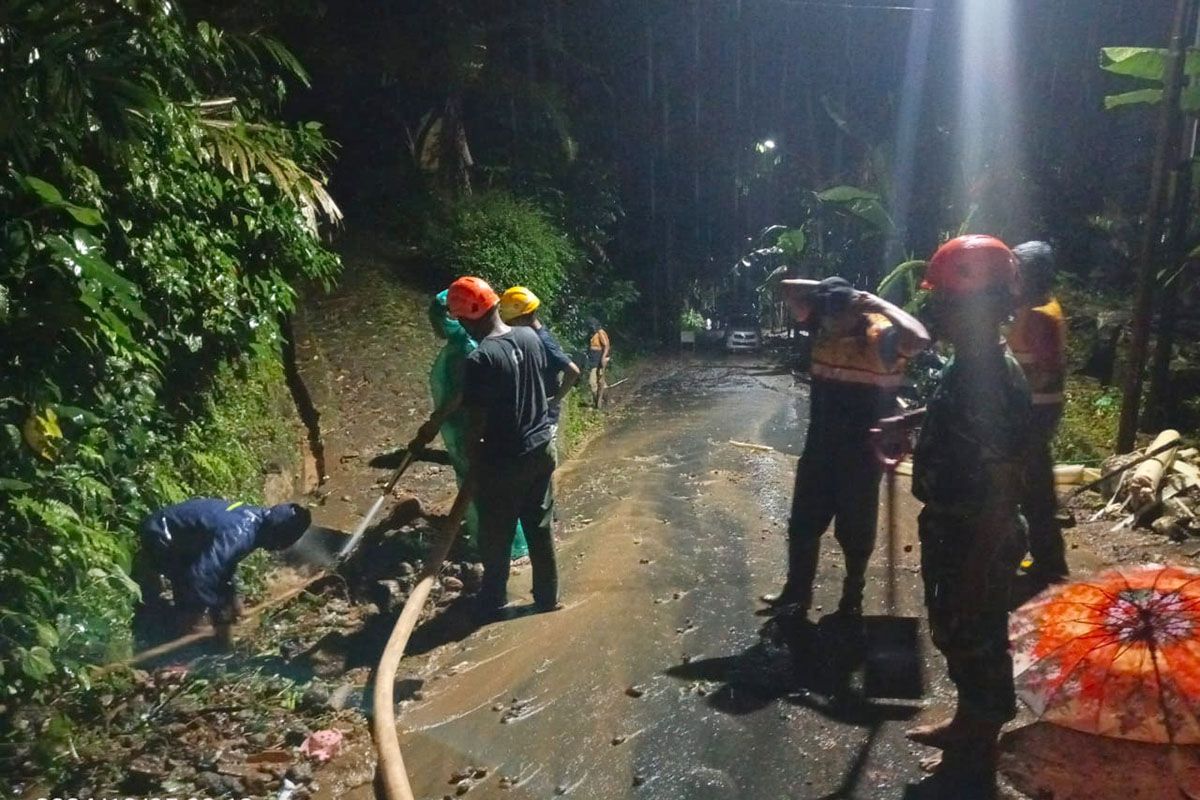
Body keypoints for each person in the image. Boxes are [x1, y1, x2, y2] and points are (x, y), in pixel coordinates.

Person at [902, 235, 1032, 786]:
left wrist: (980, 563)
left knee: (975, 631)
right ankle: (967, 721)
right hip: (954, 525)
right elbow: (961, 426)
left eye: (946, 302)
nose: (938, 313)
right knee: (956, 630)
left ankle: (976, 752)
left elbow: (1005, 481)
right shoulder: (970, 364)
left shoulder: (988, 374)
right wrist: (909, 425)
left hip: (978, 530)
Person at [760, 277, 930, 621]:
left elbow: (921, 338)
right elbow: (786, 285)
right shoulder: (822, 322)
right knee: (803, 524)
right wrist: (833, 287)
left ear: (855, 311)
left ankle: (852, 597)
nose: (828, 324)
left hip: (863, 454)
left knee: (855, 530)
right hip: (819, 447)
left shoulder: (882, 337)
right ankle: (796, 593)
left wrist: (875, 302)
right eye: (825, 316)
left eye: (835, 317)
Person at [444, 276, 559, 620]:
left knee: (497, 534)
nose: (462, 324)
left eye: (461, 319)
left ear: (470, 318)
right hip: (542, 449)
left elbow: (476, 424)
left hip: (504, 459)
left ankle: (494, 601)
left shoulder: (481, 359)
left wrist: (472, 460)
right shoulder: (530, 336)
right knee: (539, 527)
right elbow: (549, 385)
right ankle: (547, 597)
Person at [413, 290, 528, 560]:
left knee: (482, 488)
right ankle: (492, 542)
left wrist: (433, 423)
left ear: (455, 318)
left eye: (438, 320)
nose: (435, 326)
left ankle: (502, 548)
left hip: (468, 430)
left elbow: (459, 394)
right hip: (461, 430)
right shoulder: (464, 346)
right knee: (478, 486)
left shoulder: (466, 350)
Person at [133, 498, 310, 638]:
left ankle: (184, 623)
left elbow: (223, 566)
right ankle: (180, 636)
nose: (283, 548)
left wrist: (231, 598)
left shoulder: (256, 519)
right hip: (162, 536)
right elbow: (201, 575)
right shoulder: (241, 533)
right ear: (278, 535)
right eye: (286, 542)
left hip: (181, 536)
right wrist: (218, 617)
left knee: (208, 590)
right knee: (189, 591)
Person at [1010, 241, 1069, 584]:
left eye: (1017, 270)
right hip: (1038, 409)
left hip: (1033, 410)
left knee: (1031, 488)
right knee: (1034, 485)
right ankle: (1047, 558)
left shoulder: (1039, 316)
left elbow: (1045, 369)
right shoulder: (1040, 308)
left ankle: (1048, 562)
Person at [498, 285, 582, 456]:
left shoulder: (543, 341)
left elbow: (573, 371)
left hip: (544, 412)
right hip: (536, 409)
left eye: (511, 322)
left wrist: (556, 399)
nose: (510, 326)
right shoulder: (534, 337)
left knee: (543, 460)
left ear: (521, 318)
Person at [585, 317, 611, 409]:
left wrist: (603, 358)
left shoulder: (600, 332)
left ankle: (603, 403)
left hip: (599, 357)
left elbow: (606, 346)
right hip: (593, 358)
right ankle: (598, 404)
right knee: (594, 382)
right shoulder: (591, 334)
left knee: (599, 381)